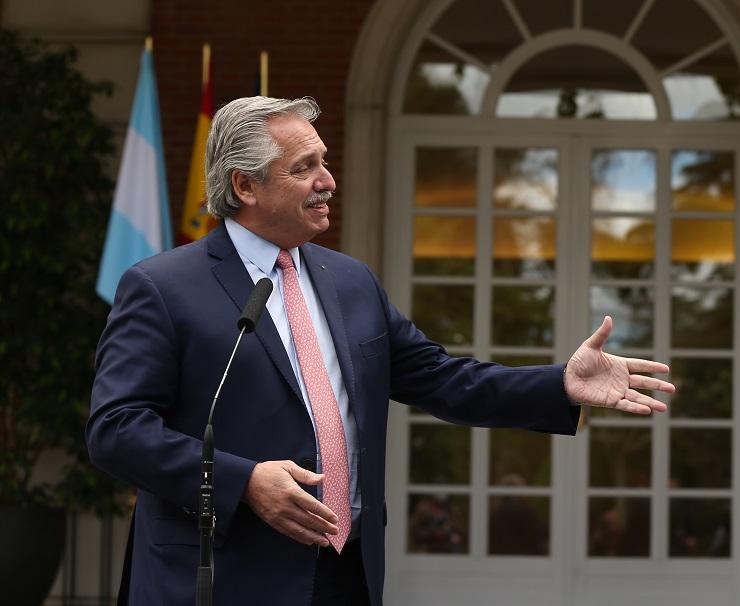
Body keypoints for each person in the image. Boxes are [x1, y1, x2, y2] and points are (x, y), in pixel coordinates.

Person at [87, 96, 675, 605]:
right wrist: (243, 483)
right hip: (221, 576)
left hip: (346, 573)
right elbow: (116, 429)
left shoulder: (349, 282)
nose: (328, 181)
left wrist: (559, 385)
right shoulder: (163, 287)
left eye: (325, 162)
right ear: (245, 185)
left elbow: (443, 379)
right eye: (305, 167)